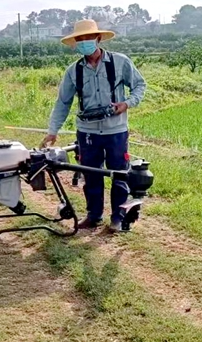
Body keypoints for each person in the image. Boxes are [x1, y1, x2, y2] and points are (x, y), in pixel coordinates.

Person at [41, 19, 146, 232]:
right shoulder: (74, 71)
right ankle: (94, 216)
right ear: (76, 43)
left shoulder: (120, 62)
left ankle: (118, 218)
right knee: (91, 175)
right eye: (80, 39)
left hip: (116, 130)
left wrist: (126, 104)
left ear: (98, 38)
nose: (84, 42)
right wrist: (53, 131)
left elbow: (139, 85)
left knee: (119, 175)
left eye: (88, 38)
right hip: (87, 133)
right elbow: (63, 102)